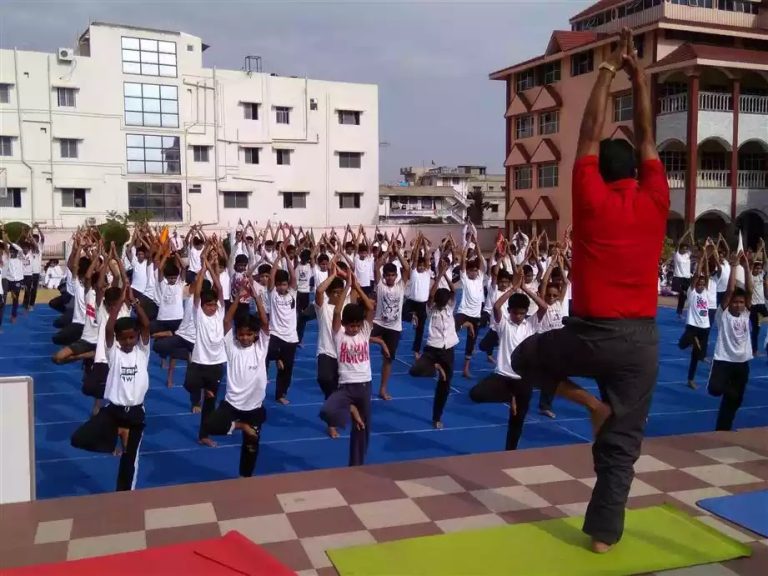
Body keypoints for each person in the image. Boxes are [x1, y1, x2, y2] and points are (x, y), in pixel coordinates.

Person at [510, 29, 669, 553]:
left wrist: (606, 69)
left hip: (590, 335)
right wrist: (639, 79)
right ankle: (603, 536)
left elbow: (587, 135)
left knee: (525, 355)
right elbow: (647, 137)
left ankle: (586, 403)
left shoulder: (589, 194)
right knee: (622, 448)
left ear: (598, 171)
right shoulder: (656, 197)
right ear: (640, 172)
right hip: (641, 342)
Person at [70, 285, 151, 491]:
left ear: (137, 337)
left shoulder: (142, 352)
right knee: (78, 438)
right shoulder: (113, 352)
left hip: (135, 413)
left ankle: (124, 494)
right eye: (123, 338)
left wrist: (134, 302)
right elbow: (108, 329)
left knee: (130, 459)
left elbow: (146, 324)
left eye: (131, 337)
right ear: (117, 339)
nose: (128, 341)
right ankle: (114, 437)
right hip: (113, 411)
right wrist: (120, 302)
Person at [200, 284, 270, 478]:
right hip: (232, 404)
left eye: (249, 334)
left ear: (255, 335)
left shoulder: (261, 347)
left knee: (251, 448)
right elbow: (227, 321)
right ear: (236, 335)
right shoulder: (232, 347)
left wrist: (257, 298)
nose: (245, 338)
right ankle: (240, 426)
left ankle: (245, 478)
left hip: (254, 408)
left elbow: (264, 323)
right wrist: (238, 297)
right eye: (241, 334)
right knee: (209, 426)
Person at [319, 274, 388, 467]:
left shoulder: (364, 332)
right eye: (351, 325)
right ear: (344, 324)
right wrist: (347, 287)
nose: (355, 328)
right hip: (346, 386)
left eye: (357, 325)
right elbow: (337, 312)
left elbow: (370, 308)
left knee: (362, 427)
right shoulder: (339, 335)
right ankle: (351, 409)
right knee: (328, 410)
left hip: (364, 385)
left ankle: (356, 464)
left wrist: (357, 286)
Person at [184, 245, 227, 447]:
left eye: (213, 305)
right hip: (199, 361)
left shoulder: (219, 313)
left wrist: (211, 267)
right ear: (202, 306)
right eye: (208, 305)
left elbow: (219, 289)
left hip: (216, 363)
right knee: (189, 384)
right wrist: (203, 269)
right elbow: (198, 292)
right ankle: (203, 390)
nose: (211, 308)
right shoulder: (199, 314)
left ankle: (204, 435)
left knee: (210, 403)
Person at [409, 261, 459, 429]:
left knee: (445, 386)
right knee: (414, 370)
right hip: (432, 349)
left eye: (444, 302)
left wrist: (445, 275)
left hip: (448, 350)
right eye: (440, 302)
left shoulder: (450, 307)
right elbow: (431, 295)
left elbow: (453, 291)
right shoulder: (431, 309)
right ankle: (436, 367)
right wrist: (439, 276)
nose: (442, 304)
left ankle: (437, 417)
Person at [708, 252, 753, 431]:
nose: (738, 305)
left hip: (742, 361)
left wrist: (747, 267)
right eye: (735, 302)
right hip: (724, 359)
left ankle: (723, 428)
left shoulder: (746, 312)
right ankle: (728, 391)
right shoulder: (723, 314)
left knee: (735, 400)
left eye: (741, 302)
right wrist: (734, 266)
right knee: (715, 389)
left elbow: (749, 291)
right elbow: (729, 291)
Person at [371, 244, 410, 400]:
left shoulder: (401, 286)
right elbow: (377, 266)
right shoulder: (380, 286)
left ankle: (383, 389)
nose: (390, 278)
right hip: (379, 323)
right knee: (359, 338)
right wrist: (388, 251)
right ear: (384, 276)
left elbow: (407, 269)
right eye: (387, 275)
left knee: (388, 360)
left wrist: (398, 251)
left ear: (396, 276)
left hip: (394, 328)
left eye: (393, 275)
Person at [266, 245, 299, 405]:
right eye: (279, 284)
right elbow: (271, 278)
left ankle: (280, 394)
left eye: (284, 284)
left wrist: (286, 256)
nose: (281, 287)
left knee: (287, 369)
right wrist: (277, 258)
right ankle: (276, 358)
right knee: (268, 352)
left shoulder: (292, 293)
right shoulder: (273, 294)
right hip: (276, 333)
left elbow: (293, 276)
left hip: (291, 336)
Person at [678, 251, 710, 389]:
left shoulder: (706, 293)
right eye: (699, 284)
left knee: (696, 356)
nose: (701, 286)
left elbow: (706, 275)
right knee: (681, 345)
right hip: (692, 325)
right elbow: (697, 276)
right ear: (695, 285)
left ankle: (690, 379)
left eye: (703, 284)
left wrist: (706, 258)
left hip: (704, 327)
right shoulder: (692, 294)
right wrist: (701, 260)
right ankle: (692, 340)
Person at [673, 228, 694, 318]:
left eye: (686, 249)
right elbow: (678, 243)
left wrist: (691, 235)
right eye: (683, 249)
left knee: (687, 295)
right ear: (680, 249)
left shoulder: (687, 255)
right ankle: (679, 311)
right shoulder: (677, 255)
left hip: (687, 278)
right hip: (678, 277)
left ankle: (680, 312)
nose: (685, 250)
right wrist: (686, 233)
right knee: (682, 293)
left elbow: (692, 245)